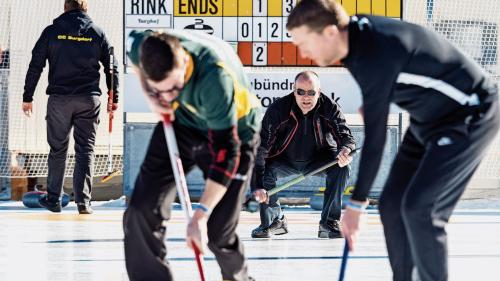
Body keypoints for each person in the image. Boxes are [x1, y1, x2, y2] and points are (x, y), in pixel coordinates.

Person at [286, 1, 500, 280]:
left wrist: (356, 204)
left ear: (328, 32)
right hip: (429, 118)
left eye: (305, 44)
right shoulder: (355, 40)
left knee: (421, 208)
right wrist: (379, 101)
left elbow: (376, 140)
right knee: (391, 203)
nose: (303, 53)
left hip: (471, 113)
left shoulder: (374, 53)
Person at [124, 29, 261, 281]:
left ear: (184, 62)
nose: (168, 97)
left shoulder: (214, 78)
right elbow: (134, 59)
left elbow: (226, 155)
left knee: (219, 232)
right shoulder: (144, 46)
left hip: (233, 135)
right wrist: (151, 98)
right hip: (182, 124)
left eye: (174, 88)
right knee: (140, 210)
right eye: (160, 90)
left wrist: (200, 215)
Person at [22, 0, 119, 214]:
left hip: (60, 100)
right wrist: (115, 96)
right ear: (86, 8)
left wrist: (27, 96)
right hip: (88, 99)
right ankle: (84, 202)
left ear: (65, 7)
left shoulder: (52, 31)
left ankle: (54, 199)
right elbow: (112, 66)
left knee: (58, 150)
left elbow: (35, 64)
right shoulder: (97, 32)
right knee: (86, 150)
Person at [250, 70, 355, 239]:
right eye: (300, 92)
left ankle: (328, 223)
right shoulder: (278, 110)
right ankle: (274, 221)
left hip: (319, 160)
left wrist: (346, 150)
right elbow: (261, 148)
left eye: (311, 92)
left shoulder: (329, 107)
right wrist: (257, 184)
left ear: (318, 92)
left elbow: (345, 136)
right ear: (294, 90)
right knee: (264, 171)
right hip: (283, 160)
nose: (306, 97)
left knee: (342, 167)